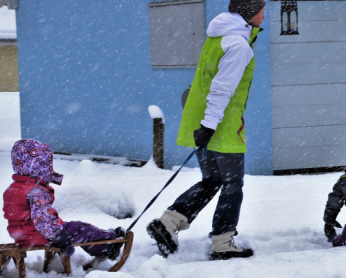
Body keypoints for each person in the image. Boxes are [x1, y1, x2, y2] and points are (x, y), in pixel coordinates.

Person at [147, 0, 266, 260]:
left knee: (212, 180)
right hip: (220, 125)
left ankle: (169, 222)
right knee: (232, 184)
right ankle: (223, 242)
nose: (264, 16)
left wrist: (203, 124)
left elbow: (205, 82)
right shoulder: (238, 45)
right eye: (261, 11)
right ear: (248, 15)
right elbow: (221, 88)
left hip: (204, 121)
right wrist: (210, 125)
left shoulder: (217, 38)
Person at [3, 139, 125, 260]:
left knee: (75, 229)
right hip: (43, 234)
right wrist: (60, 238)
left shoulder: (13, 188)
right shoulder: (35, 192)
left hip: (22, 236)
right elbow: (43, 219)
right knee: (83, 229)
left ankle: (105, 241)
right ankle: (108, 246)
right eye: (45, 164)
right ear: (37, 167)